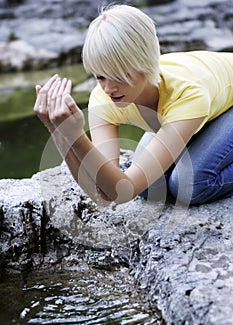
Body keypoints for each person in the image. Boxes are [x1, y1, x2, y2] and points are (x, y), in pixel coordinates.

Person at [34, 4, 233, 207]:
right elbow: (104, 193)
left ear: (145, 64)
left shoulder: (186, 94)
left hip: (222, 103)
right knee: (150, 187)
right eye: (101, 76)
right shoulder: (104, 98)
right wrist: (59, 130)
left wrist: (77, 137)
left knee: (189, 185)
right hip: (207, 107)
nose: (109, 88)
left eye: (119, 77)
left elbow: (122, 192)